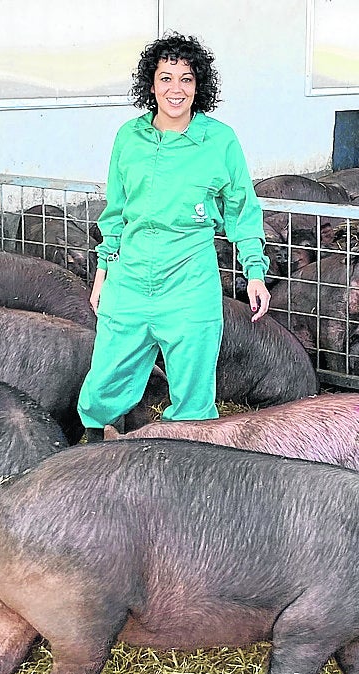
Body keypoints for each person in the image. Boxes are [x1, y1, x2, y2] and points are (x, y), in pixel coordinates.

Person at [77, 33, 271, 442]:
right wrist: (103, 271)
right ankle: (92, 451)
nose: (175, 89)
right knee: (106, 377)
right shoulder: (129, 137)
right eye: (166, 78)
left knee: (194, 388)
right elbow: (116, 211)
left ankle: (188, 472)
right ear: (151, 84)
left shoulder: (219, 140)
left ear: (199, 86)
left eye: (186, 79)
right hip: (130, 274)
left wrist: (255, 271)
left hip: (189, 278)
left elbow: (242, 209)